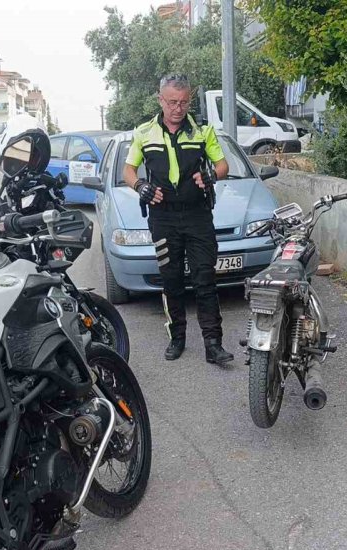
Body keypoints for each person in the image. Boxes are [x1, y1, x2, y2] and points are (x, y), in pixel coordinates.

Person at [122, 74, 233, 366]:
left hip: (197, 216)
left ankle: (213, 344)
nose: (178, 108)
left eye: (183, 102)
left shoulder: (203, 132)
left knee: (205, 279)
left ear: (189, 101)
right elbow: (129, 170)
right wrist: (140, 187)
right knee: (171, 280)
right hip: (163, 218)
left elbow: (223, 165)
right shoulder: (144, 133)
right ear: (161, 100)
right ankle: (177, 338)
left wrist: (211, 175)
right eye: (172, 102)